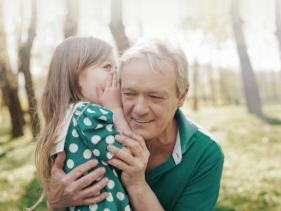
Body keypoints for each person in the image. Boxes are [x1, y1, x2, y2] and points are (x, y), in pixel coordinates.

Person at [45, 39, 224, 211]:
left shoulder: (205, 153)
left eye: (155, 97)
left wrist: (137, 184)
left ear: (182, 97)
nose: (139, 110)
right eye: (129, 93)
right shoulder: (96, 131)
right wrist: (56, 204)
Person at [35, 37, 132, 211]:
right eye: (107, 67)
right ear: (78, 75)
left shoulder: (67, 115)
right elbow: (128, 154)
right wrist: (115, 108)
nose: (115, 75)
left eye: (116, 67)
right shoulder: (88, 114)